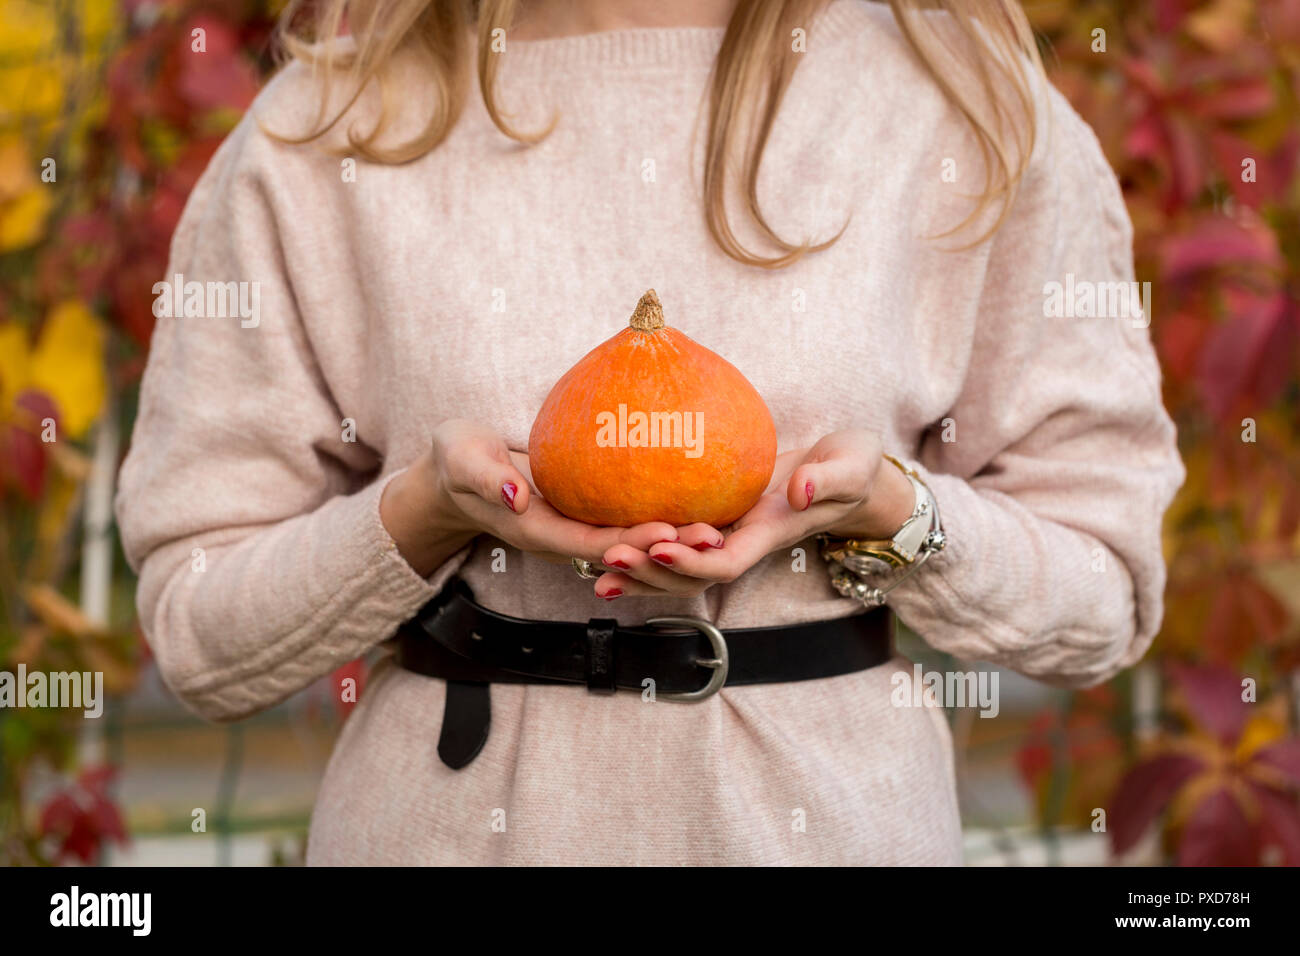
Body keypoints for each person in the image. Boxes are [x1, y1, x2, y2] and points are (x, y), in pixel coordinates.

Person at [116, 0, 1185, 865]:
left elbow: (1102, 593)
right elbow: (202, 633)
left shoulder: (960, 110)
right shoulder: (327, 129)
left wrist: (893, 517)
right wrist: (422, 516)